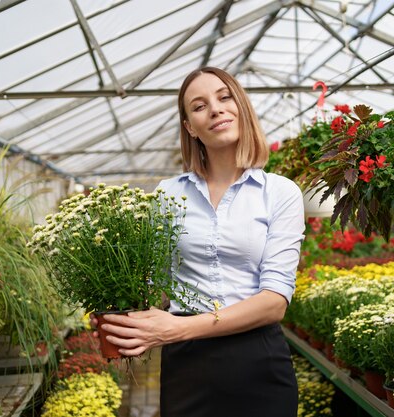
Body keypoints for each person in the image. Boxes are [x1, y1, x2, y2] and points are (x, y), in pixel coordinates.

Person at [96, 67, 305, 417]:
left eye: (224, 97)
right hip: (187, 367)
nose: (216, 109)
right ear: (190, 127)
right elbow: (156, 282)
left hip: (257, 361)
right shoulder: (169, 193)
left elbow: (274, 302)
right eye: (199, 105)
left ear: (240, 106)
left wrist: (176, 329)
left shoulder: (279, 192)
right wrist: (119, 311)